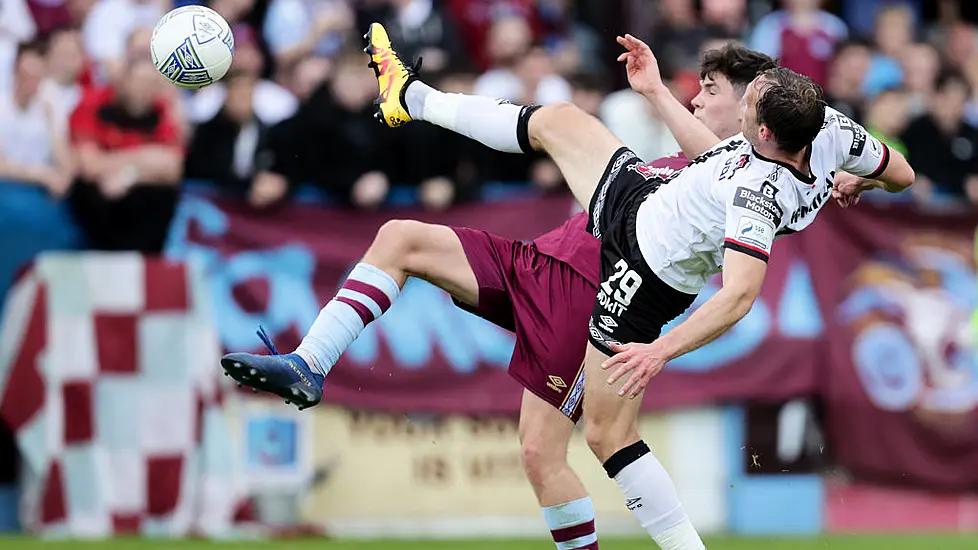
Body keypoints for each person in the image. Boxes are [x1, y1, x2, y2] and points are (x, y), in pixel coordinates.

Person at [350, 24, 912, 550]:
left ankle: (415, 99)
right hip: (636, 212)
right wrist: (860, 179)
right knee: (557, 121)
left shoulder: (755, 194)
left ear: (763, 133)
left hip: (641, 266)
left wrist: (660, 352)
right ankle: (413, 98)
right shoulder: (831, 130)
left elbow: (740, 294)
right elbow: (903, 173)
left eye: (737, 99)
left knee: (602, 436)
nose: (724, 102)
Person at [220, 27, 779, 550]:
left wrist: (842, 169)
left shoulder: (752, 179)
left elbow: (786, 177)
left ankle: (414, 98)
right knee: (400, 238)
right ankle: (309, 363)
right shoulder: (701, 162)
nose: (697, 100)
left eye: (711, 91)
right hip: (540, 261)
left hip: (595, 293)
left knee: (553, 450)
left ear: (753, 105)